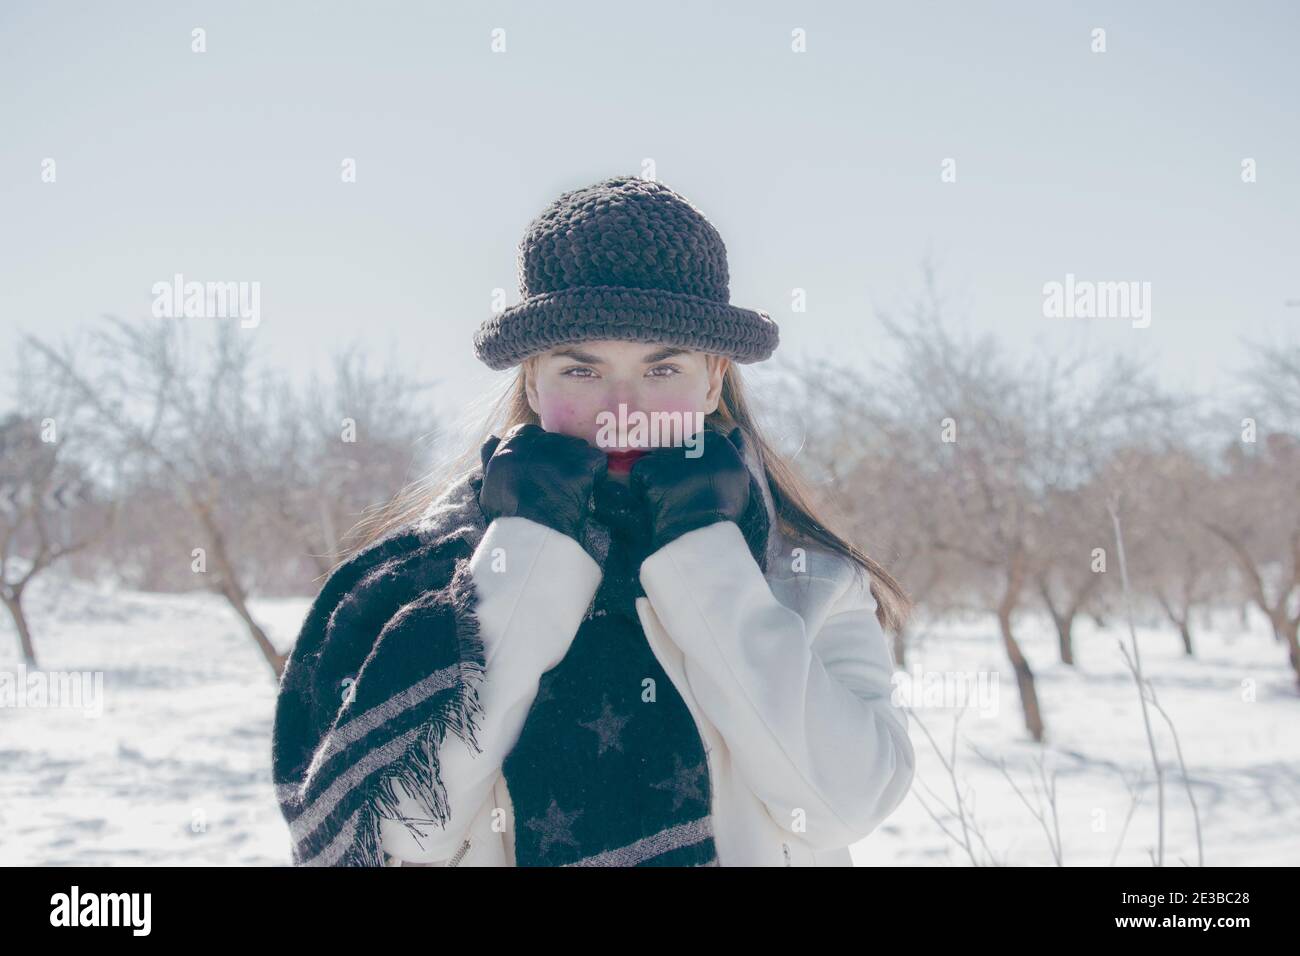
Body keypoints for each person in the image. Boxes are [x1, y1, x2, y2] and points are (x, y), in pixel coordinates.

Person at [271, 175, 916, 867]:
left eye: (661, 368)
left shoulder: (808, 577)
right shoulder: (427, 581)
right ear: (531, 380)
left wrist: (706, 561)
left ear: (713, 377)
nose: (622, 409)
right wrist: (527, 555)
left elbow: (844, 805)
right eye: (581, 371)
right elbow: (402, 835)